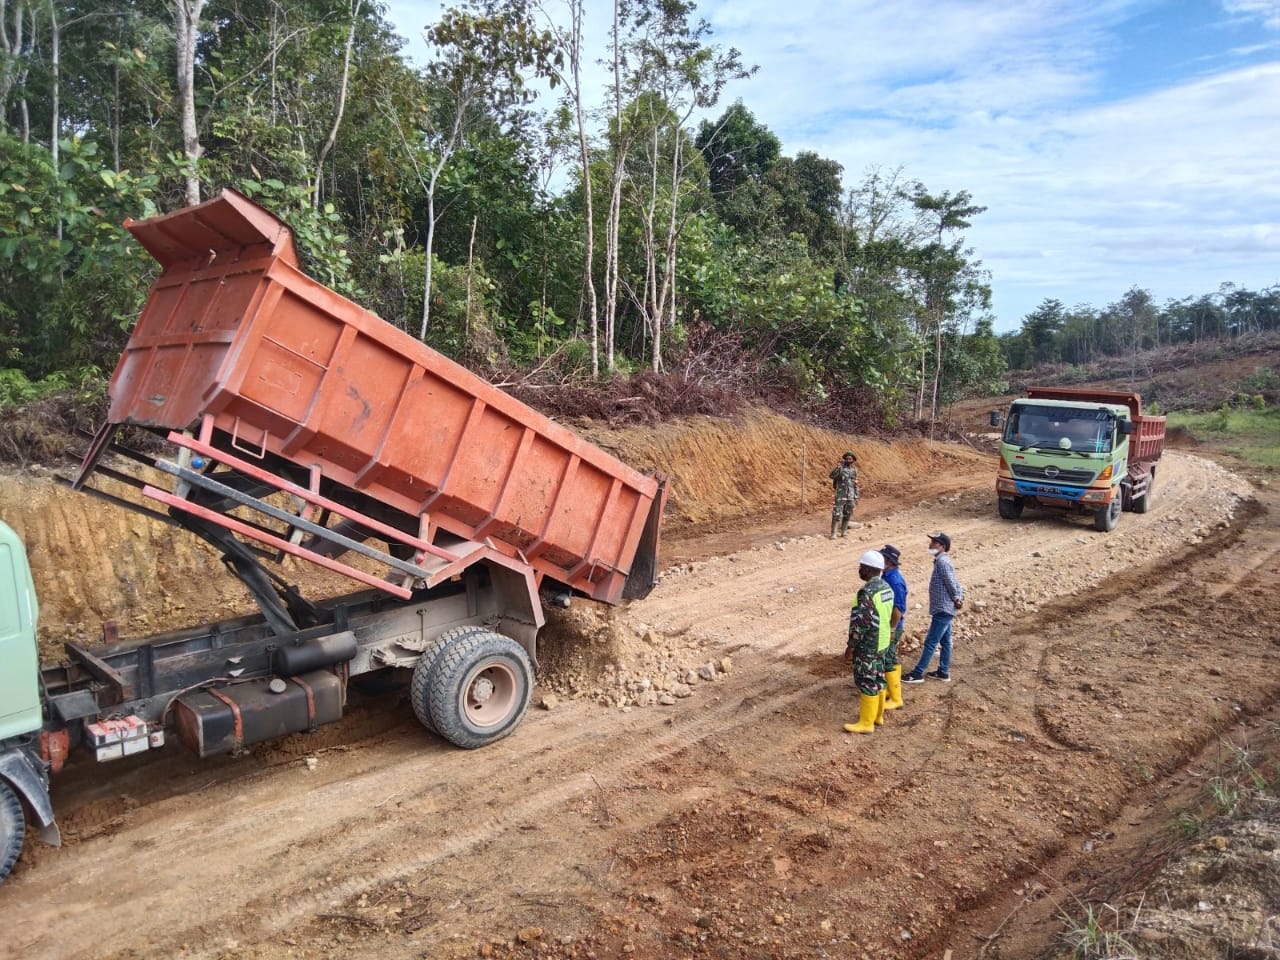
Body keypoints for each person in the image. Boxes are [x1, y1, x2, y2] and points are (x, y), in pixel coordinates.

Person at [842, 549, 895, 734]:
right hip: (882, 641)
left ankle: (866, 723)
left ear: (868, 569)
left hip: (868, 645)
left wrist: (851, 646)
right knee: (879, 678)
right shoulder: (886, 588)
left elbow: (861, 624)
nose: (859, 570)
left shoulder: (867, 592)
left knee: (866, 680)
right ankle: (877, 717)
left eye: (861, 567)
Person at [903, 532, 964, 683]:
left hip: (944, 608)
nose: (931, 545)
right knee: (946, 641)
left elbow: (951, 582)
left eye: (935, 543)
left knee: (931, 641)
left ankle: (917, 674)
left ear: (942, 547)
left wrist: (957, 598)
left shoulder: (943, 562)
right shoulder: (941, 561)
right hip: (944, 608)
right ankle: (943, 671)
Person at [879, 544, 908, 709]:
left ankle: (896, 699)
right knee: (889, 657)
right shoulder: (887, 576)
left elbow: (898, 609)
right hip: (889, 625)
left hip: (892, 626)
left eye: (883, 557)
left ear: (889, 561)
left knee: (889, 658)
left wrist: (891, 629)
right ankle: (892, 692)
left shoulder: (894, 581)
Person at [828, 451, 860, 539]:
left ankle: (844, 532)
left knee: (848, 513)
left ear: (853, 460)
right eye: (847, 458)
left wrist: (856, 496)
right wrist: (837, 468)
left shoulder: (854, 470)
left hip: (851, 495)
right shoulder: (840, 469)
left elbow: (855, 484)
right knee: (837, 513)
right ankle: (833, 533)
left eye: (850, 459)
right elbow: (831, 476)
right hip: (841, 494)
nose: (848, 460)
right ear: (844, 459)